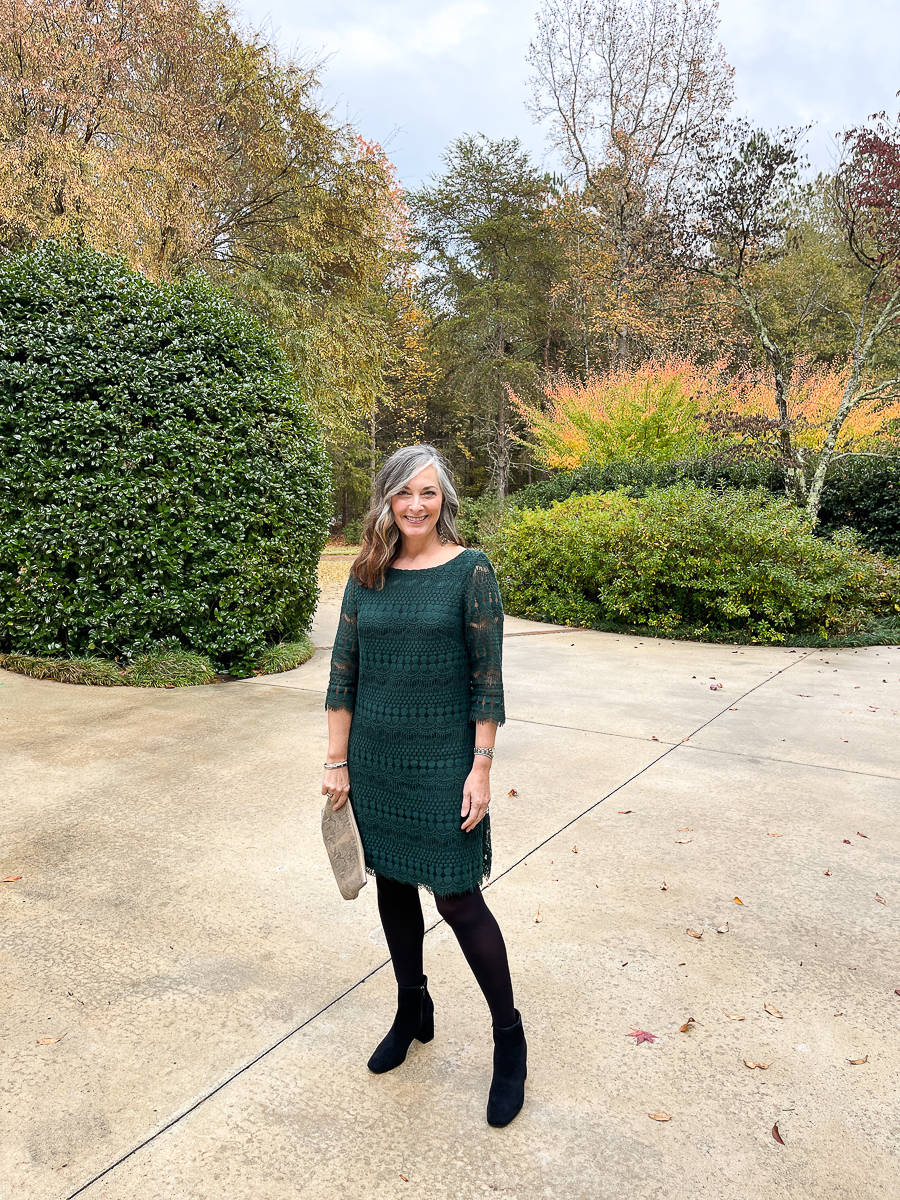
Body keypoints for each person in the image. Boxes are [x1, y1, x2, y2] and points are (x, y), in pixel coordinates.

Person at [322, 444, 526, 1127]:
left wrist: (481, 766)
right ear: (387, 498)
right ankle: (413, 1008)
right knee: (392, 886)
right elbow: (343, 673)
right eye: (405, 492)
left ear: (445, 502)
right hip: (376, 761)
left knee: (459, 900)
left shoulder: (470, 571)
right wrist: (336, 762)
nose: (416, 504)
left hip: (443, 762)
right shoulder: (368, 572)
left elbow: (486, 679)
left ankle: (508, 1039)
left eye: (429, 494)